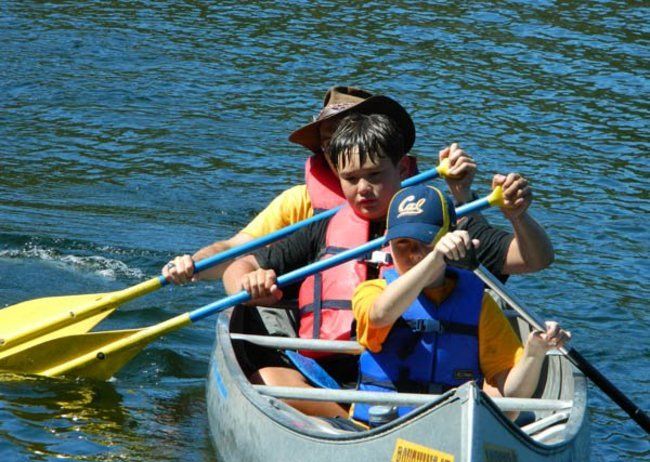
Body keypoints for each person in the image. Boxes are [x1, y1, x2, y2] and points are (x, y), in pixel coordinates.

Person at [162, 86, 553, 285]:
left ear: (394, 157)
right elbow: (236, 253)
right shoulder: (308, 212)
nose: (343, 146)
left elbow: (530, 258)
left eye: (354, 134)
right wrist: (198, 267)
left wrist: (492, 206)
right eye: (332, 140)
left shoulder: (432, 207)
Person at [223, 108, 417, 417]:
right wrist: (247, 286)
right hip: (335, 377)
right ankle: (355, 422)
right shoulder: (322, 224)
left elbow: (521, 259)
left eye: (375, 174)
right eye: (351, 177)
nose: (364, 187)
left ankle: (362, 423)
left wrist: (469, 198)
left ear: (402, 166)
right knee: (270, 378)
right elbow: (237, 264)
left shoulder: (431, 222)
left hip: (412, 373)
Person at [350, 184, 570, 424]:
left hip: (452, 429)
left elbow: (514, 394)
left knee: (510, 413)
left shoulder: (479, 305)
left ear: (451, 239)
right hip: (378, 427)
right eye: (403, 243)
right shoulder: (370, 292)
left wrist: (534, 353)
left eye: (427, 242)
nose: (415, 254)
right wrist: (435, 258)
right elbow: (380, 315)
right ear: (387, 242)